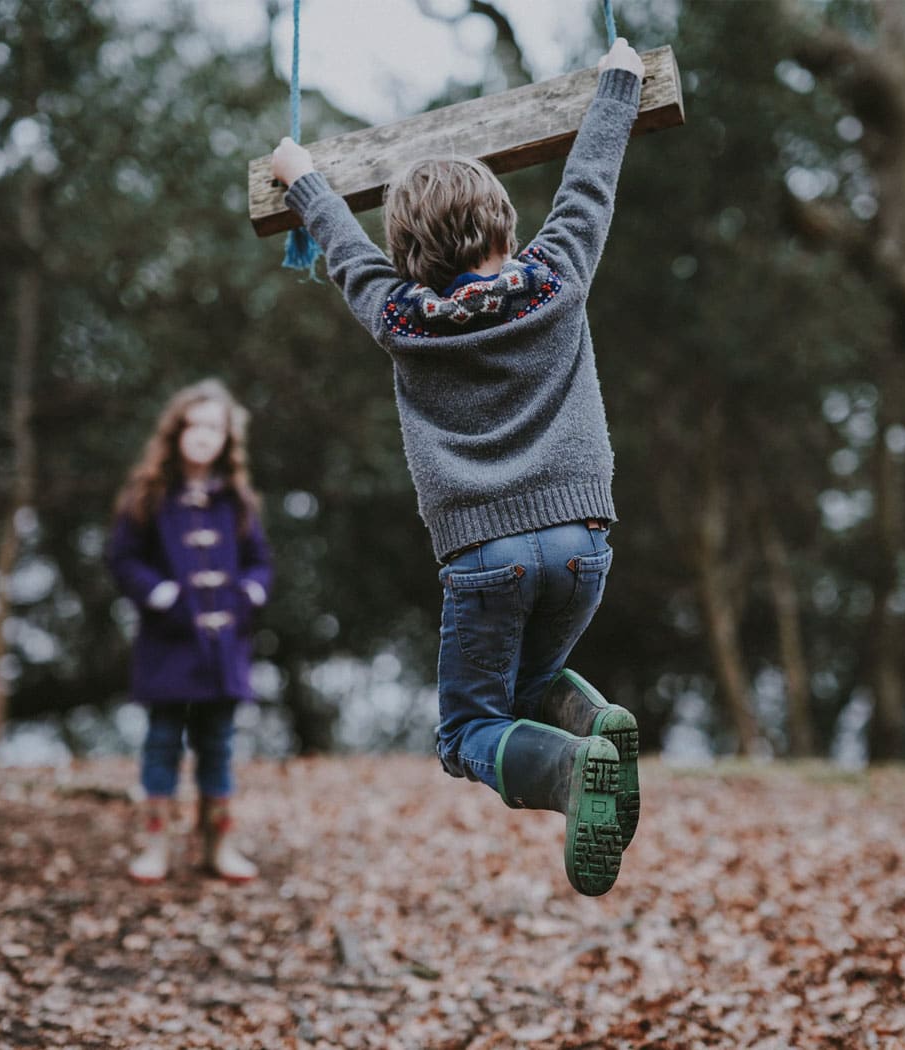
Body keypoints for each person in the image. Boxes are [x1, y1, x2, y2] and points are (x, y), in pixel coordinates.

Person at [270, 39, 646, 896]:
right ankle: (598, 725)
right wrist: (617, 78)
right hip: (584, 543)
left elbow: (343, 250)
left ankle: (572, 772)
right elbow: (591, 179)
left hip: (486, 556)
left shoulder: (402, 316)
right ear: (507, 222)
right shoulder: (558, 278)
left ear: (411, 251)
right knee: (535, 682)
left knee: (468, 730)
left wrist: (303, 176)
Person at [107, 379, 272, 884]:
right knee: (161, 742)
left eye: (214, 428)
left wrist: (248, 595)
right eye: (194, 425)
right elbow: (121, 558)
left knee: (218, 744)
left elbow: (260, 563)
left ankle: (217, 846)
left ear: (227, 439)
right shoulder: (148, 494)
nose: (203, 436)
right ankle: (155, 846)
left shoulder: (238, 501)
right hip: (168, 647)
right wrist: (163, 596)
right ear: (175, 432)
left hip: (224, 651)